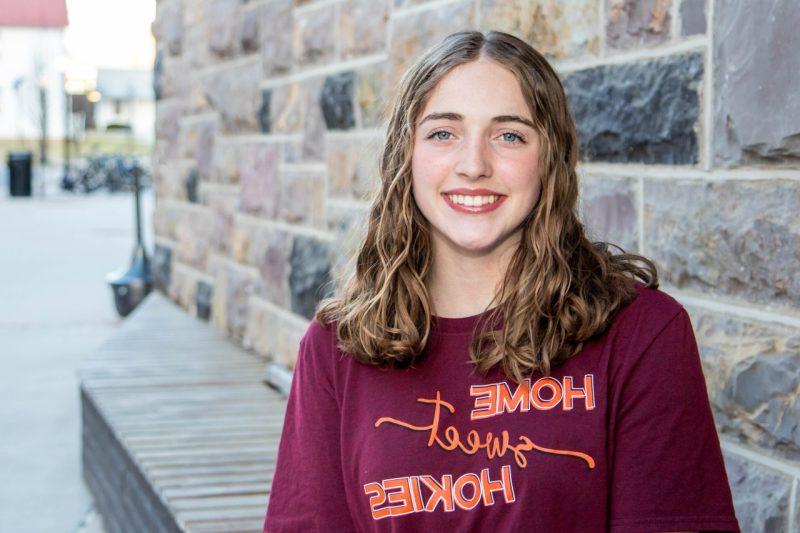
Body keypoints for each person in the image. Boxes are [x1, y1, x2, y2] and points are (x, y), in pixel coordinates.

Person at [262, 30, 740, 533]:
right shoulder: (336, 347)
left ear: (549, 157)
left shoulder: (641, 336)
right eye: (443, 133)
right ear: (406, 155)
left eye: (508, 135)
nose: (474, 165)